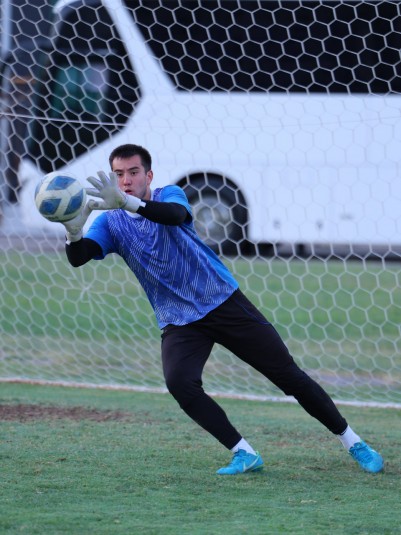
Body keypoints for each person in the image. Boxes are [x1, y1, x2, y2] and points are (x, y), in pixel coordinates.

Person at [62, 143, 384, 475]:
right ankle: (244, 453)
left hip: (222, 302)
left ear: (148, 175)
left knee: (288, 377)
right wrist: (73, 229)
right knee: (180, 383)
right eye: (119, 174)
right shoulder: (111, 221)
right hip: (179, 320)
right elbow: (79, 257)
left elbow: (173, 217)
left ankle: (354, 442)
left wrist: (130, 202)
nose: (126, 180)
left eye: (133, 172)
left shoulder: (168, 194)